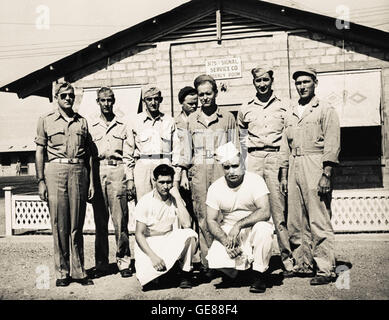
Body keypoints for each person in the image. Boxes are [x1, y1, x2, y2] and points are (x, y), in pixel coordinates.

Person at [279, 67, 341, 285]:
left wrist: (326, 174)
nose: (302, 86)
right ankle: (302, 264)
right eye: (298, 83)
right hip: (294, 164)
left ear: (315, 82)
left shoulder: (325, 109)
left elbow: (332, 144)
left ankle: (325, 269)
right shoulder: (291, 111)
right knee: (295, 220)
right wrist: (284, 175)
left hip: (315, 164)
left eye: (306, 82)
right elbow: (284, 146)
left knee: (317, 218)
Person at [35, 82, 94, 287]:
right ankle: (62, 272)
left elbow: (89, 156)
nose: (68, 98)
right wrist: (41, 180)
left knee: (76, 223)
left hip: (78, 171)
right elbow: (40, 151)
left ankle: (79, 271)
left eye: (71, 95)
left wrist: (91, 182)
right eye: (64, 96)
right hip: (55, 171)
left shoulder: (82, 122)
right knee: (60, 224)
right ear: (56, 97)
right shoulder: (45, 120)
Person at [180, 74, 239, 279]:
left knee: (224, 215)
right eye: (200, 94)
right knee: (203, 217)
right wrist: (183, 173)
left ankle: (228, 261)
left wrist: (234, 172)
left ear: (215, 94)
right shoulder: (191, 120)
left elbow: (236, 147)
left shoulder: (228, 118)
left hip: (221, 169)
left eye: (208, 93)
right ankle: (208, 263)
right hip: (199, 171)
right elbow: (186, 151)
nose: (204, 98)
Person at [238, 66, 294, 276]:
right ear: (253, 82)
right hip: (253, 158)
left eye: (265, 80)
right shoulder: (246, 107)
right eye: (258, 81)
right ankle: (250, 258)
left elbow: (287, 137)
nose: (262, 84)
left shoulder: (284, 105)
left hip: (275, 157)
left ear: (272, 80)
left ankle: (287, 258)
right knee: (251, 208)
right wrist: (244, 162)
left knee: (278, 210)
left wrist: (283, 167)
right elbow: (242, 137)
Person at [206, 142, 274, 293]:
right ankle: (241, 273)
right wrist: (225, 242)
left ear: (242, 163)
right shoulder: (215, 187)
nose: (231, 171)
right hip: (229, 230)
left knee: (263, 229)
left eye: (235, 166)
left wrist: (238, 225)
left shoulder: (255, 180)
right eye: (226, 167)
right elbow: (210, 220)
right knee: (213, 259)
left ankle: (259, 275)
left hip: (253, 226)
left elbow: (265, 212)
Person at [89, 87, 133, 279]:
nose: (107, 104)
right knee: (100, 222)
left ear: (114, 101)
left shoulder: (123, 123)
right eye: (103, 100)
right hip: (98, 172)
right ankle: (101, 264)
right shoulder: (90, 125)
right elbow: (88, 156)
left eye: (110, 100)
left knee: (120, 220)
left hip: (117, 170)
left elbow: (129, 154)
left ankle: (124, 261)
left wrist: (129, 178)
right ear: (97, 102)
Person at [134, 164, 198, 291]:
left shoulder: (175, 199)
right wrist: (153, 257)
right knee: (149, 282)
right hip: (149, 243)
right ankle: (168, 272)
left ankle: (185, 273)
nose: (165, 186)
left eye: (169, 182)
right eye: (161, 182)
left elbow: (187, 224)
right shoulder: (145, 201)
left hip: (168, 239)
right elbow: (139, 234)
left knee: (190, 234)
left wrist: (178, 197)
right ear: (154, 181)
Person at [127, 86, 181, 201]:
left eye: (156, 99)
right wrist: (129, 179)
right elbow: (128, 153)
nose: (153, 103)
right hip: (143, 168)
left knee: (165, 203)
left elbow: (177, 151)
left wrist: (176, 178)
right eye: (149, 99)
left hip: (164, 166)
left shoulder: (169, 121)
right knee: (143, 203)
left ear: (160, 100)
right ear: (144, 101)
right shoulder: (134, 121)